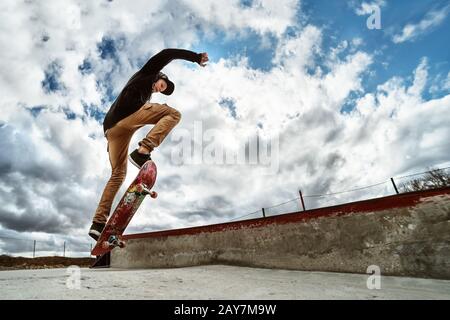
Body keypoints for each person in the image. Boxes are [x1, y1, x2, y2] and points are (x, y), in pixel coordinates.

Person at [89, 48, 209, 240]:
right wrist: (195, 58)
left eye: (161, 90)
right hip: (126, 118)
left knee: (118, 175)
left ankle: (97, 223)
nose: (158, 89)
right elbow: (167, 54)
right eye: (161, 85)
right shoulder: (149, 72)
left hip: (113, 132)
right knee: (173, 114)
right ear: (159, 77)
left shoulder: (148, 94)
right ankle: (143, 151)